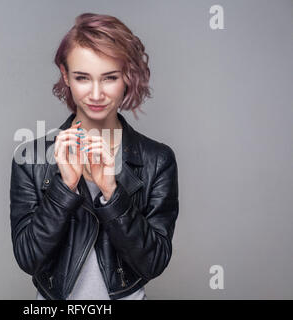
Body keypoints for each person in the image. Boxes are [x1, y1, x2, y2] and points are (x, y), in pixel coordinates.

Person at [10, 13, 179, 300]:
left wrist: (111, 193)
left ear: (127, 76)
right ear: (65, 76)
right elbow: (29, 259)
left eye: (110, 77)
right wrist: (65, 188)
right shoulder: (31, 159)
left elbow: (153, 262)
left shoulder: (157, 160)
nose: (97, 93)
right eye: (82, 78)